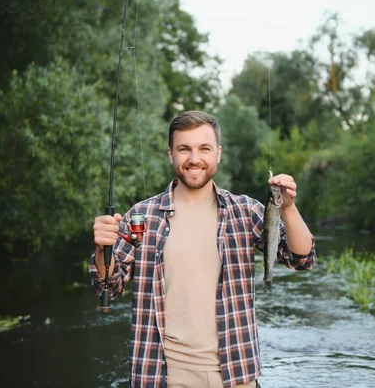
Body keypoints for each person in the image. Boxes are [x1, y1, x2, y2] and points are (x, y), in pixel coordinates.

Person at [90, 110, 317, 388]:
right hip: (162, 375)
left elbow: (302, 258)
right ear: (170, 154)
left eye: (204, 149)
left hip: (236, 374)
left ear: (218, 153)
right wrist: (104, 249)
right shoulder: (141, 216)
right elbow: (107, 287)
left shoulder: (245, 211)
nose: (194, 159)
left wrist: (288, 207)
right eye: (184, 149)